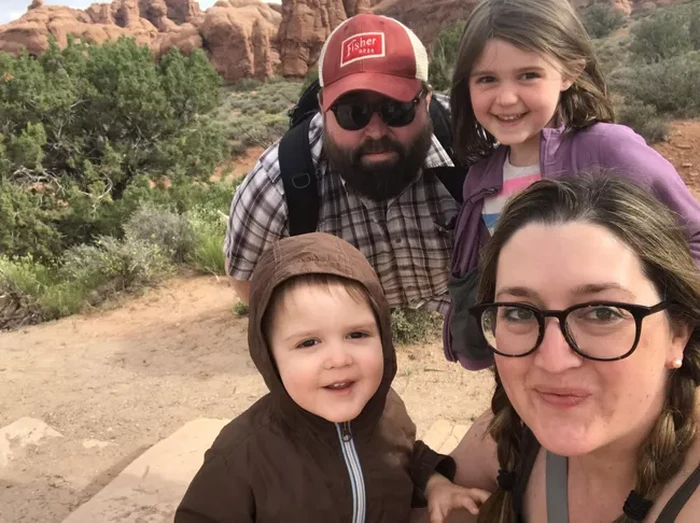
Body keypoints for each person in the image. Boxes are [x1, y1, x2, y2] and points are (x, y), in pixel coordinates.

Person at [426, 174, 700, 523]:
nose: (553, 362)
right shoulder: (508, 436)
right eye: (518, 312)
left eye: (603, 313)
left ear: (678, 333)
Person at [443, 0, 700, 370]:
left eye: (528, 75)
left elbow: (692, 237)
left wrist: (671, 332)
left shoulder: (609, 151)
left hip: (616, 356)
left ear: (568, 72)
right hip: (534, 358)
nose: (506, 97)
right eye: (487, 79)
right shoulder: (480, 179)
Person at [175, 232, 489, 522]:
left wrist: (435, 484)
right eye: (308, 343)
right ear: (269, 357)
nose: (339, 359)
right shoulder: (241, 454)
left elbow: (406, 456)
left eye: (357, 334)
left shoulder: (388, 411)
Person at [224, 13, 464, 315]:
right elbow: (248, 282)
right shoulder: (276, 185)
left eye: (396, 108)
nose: (375, 132)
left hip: (460, 306)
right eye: (352, 112)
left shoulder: (472, 146)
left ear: (426, 101)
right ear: (323, 108)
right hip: (341, 318)